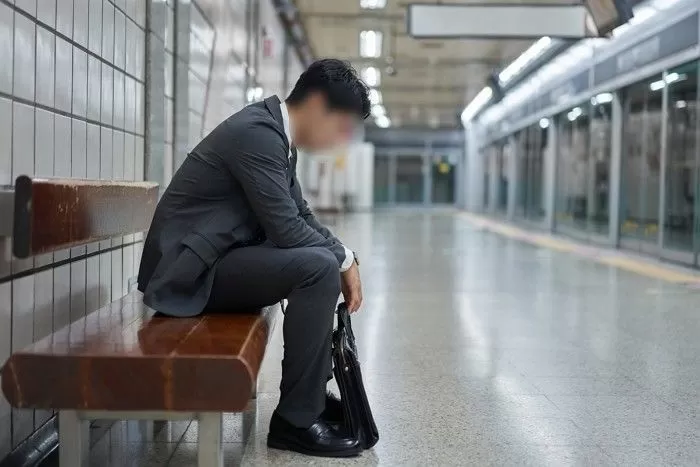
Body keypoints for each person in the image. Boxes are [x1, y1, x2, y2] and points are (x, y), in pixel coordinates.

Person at [137, 59, 370, 458]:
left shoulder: (275, 136)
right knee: (316, 267)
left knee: (319, 259)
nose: (341, 138)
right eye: (342, 125)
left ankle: (308, 396)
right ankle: (296, 421)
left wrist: (347, 255)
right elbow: (287, 230)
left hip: (211, 260)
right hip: (187, 274)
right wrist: (343, 261)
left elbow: (302, 215)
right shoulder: (258, 134)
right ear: (316, 104)